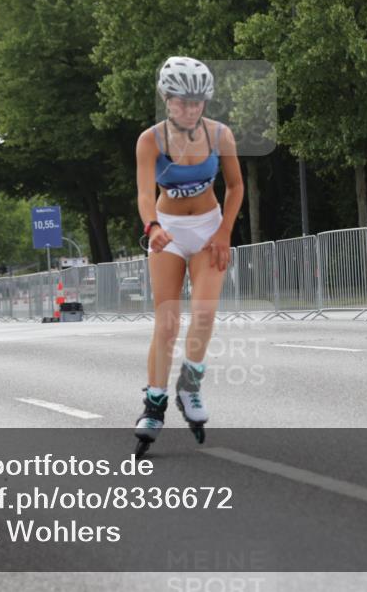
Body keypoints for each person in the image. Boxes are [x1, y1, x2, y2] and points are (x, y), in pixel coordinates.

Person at [132, 56, 244, 456]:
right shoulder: (151, 140)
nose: (189, 109)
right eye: (180, 101)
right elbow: (146, 193)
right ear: (166, 98)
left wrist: (224, 231)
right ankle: (154, 403)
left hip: (209, 228)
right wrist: (153, 227)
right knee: (166, 324)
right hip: (169, 231)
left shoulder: (220, 135)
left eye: (196, 102)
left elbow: (235, 188)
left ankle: (189, 386)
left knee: (205, 312)